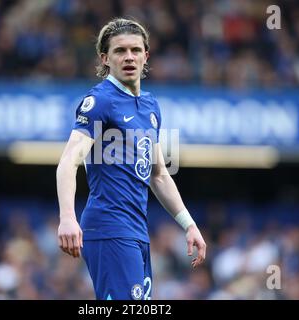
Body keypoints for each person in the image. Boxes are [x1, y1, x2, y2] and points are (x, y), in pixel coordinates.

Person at [56, 18, 206, 300]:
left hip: (137, 230)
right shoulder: (100, 101)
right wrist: (67, 217)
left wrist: (189, 224)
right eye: (120, 51)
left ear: (146, 55)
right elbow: (68, 161)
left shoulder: (150, 105)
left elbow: (158, 174)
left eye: (136, 50)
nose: (129, 57)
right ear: (105, 58)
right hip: (109, 226)